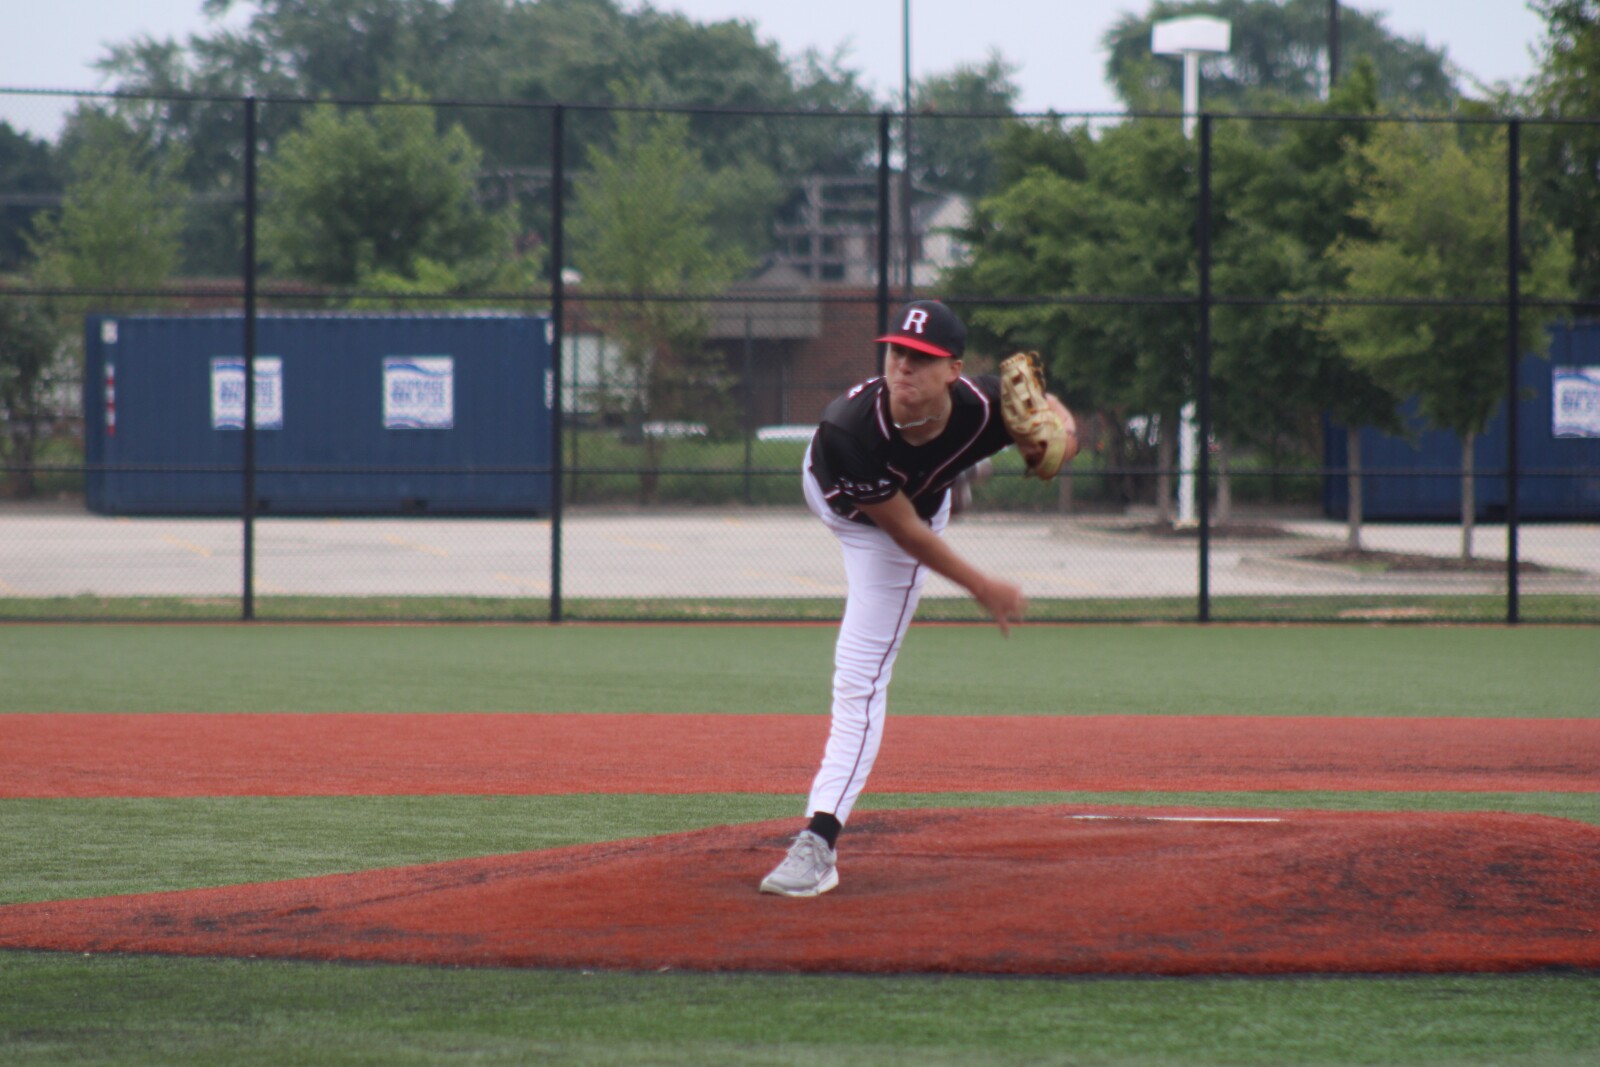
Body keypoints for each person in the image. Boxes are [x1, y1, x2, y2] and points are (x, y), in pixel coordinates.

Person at [759, 298, 1074, 897]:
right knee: (911, 501)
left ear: (953, 370)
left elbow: (1050, 414)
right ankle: (955, 474)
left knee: (859, 680)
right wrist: (982, 586)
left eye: (921, 357)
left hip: (912, 508)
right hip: (854, 509)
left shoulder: (983, 404)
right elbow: (904, 534)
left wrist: (1066, 435)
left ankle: (818, 841)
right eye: (896, 351)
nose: (902, 365)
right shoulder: (849, 427)